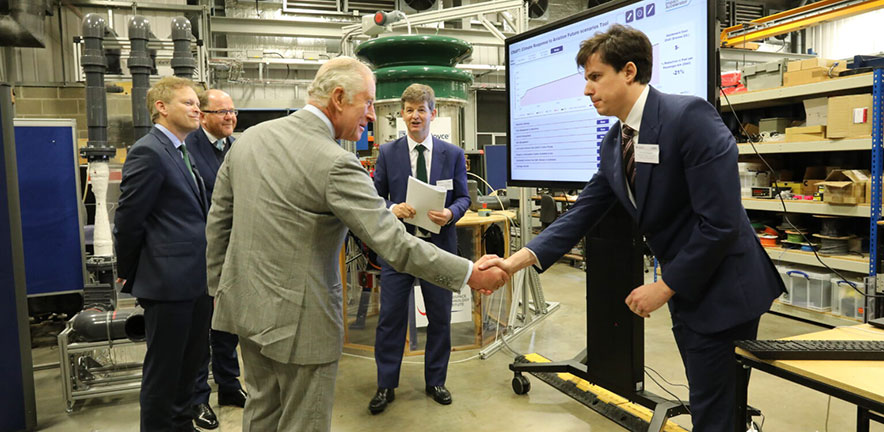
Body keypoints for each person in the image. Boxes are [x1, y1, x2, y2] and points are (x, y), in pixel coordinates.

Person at [478, 25, 784, 431]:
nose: (587, 90)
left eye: (594, 77)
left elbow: (721, 224)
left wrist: (663, 285)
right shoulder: (615, 141)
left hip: (725, 288)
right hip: (690, 288)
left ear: (627, 71)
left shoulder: (687, 117)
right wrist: (511, 263)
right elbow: (581, 213)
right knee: (711, 401)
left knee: (715, 408)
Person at [204, 57, 507, 432]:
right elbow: (394, 243)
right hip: (304, 323)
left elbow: (219, 221)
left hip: (247, 311)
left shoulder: (249, 140)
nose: (369, 115)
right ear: (338, 98)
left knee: (263, 412)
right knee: (303, 422)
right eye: (366, 103)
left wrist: (219, 287)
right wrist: (467, 273)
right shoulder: (335, 162)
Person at [113, 76, 211, 432]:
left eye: (197, 104)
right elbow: (128, 219)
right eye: (188, 103)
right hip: (167, 285)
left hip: (195, 281)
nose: (197, 109)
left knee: (189, 369)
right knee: (164, 375)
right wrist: (132, 271)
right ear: (161, 107)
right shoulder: (149, 150)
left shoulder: (183, 150)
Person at [368, 83, 470, 414]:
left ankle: (436, 381)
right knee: (390, 319)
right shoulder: (387, 153)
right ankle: (385, 384)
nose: (415, 115)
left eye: (421, 109)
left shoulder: (452, 154)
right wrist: (392, 208)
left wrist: (451, 213)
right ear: (402, 115)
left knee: (440, 319)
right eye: (409, 110)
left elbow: (465, 197)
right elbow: (373, 199)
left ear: (433, 114)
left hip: (438, 248)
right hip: (399, 249)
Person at [186, 89, 246, 430]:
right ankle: (198, 398)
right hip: (203, 253)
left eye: (233, 112)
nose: (229, 117)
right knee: (202, 329)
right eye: (221, 112)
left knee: (228, 326)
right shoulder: (190, 150)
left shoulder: (237, 148)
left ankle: (229, 385)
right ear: (204, 116)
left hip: (236, 252)